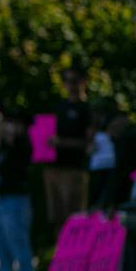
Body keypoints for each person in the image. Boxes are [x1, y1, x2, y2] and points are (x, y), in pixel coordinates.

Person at [44, 68, 91, 231]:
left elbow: (89, 143)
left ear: (83, 82)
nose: (70, 85)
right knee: (57, 217)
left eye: (74, 81)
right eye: (67, 81)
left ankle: (75, 255)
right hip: (54, 168)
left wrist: (63, 143)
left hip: (75, 170)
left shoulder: (87, 109)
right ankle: (60, 253)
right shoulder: (59, 107)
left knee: (75, 217)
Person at [0, 109, 35, 271]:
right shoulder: (5, 145)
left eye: (15, 124)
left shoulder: (23, 144)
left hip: (16, 199)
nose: (10, 127)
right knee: (0, 238)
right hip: (2, 199)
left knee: (17, 239)